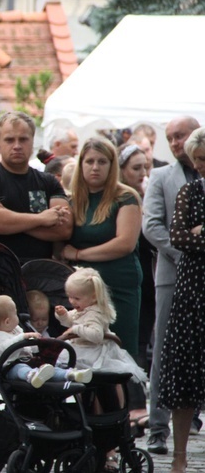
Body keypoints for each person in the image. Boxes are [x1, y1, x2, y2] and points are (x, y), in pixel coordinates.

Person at [142, 116, 202, 455]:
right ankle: (156, 428)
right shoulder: (163, 178)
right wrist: (186, 254)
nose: (176, 142)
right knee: (164, 351)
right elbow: (152, 226)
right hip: (173, 276)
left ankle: (193, 414)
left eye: (181, 135)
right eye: (170, 138)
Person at [61, 137, 142, 355]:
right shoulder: (70, 200)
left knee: (120, 351)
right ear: (81, 164)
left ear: (112, 165)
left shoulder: (125, 196)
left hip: (119, 283)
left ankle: (129, 391)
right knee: (84, 352)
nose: (95, 167)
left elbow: (124, 243)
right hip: (82, 292)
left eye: (102, 161)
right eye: (89, 161)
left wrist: (78, 253)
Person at [157, 126, 205, 473]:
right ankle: (178, 456)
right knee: (184, 376)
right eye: (198, 160)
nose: (202, 166)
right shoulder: (190, 190)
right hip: (191, 290)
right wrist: (194, 235)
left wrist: (199, 232)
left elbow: (190, 237)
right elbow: (178, 238)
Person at [0, 111, 72, 263]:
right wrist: (42, 219)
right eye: (9, 140)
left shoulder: (49, 182)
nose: (17, 146)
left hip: (41, 272)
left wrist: (9, 218)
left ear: (33, 140)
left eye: (23, 139)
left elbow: (64, 230)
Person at [55, 268, 147, 383]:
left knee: (98, 380)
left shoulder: (94, 314)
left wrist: (76, 329)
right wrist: (63, 315)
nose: (72, 301)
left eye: (76, 298)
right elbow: (69, 321)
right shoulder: (83, 308)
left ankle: (109, 400)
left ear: (93, 297)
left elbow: (96, 335)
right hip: (83, 348)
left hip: (93, 352)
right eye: (70, 297)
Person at [0, 295, 92, 387]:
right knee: (21, 369)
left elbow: (27, 347)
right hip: (9, 368)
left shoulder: (15, 329)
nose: (17, 316)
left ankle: (71, 375)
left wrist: (36, 344)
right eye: (15, 313)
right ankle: (32, 375)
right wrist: (22, 337)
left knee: (49, 369)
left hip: (28, 361)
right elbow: (4, 348)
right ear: (7, 321)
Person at [118, 143, 156, 368]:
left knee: (142, 339)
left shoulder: (151, 195)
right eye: (136, 168)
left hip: (149, 279)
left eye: (146, 167)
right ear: (122, 170)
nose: (143, 174)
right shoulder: (122, 199)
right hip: (129, 277)